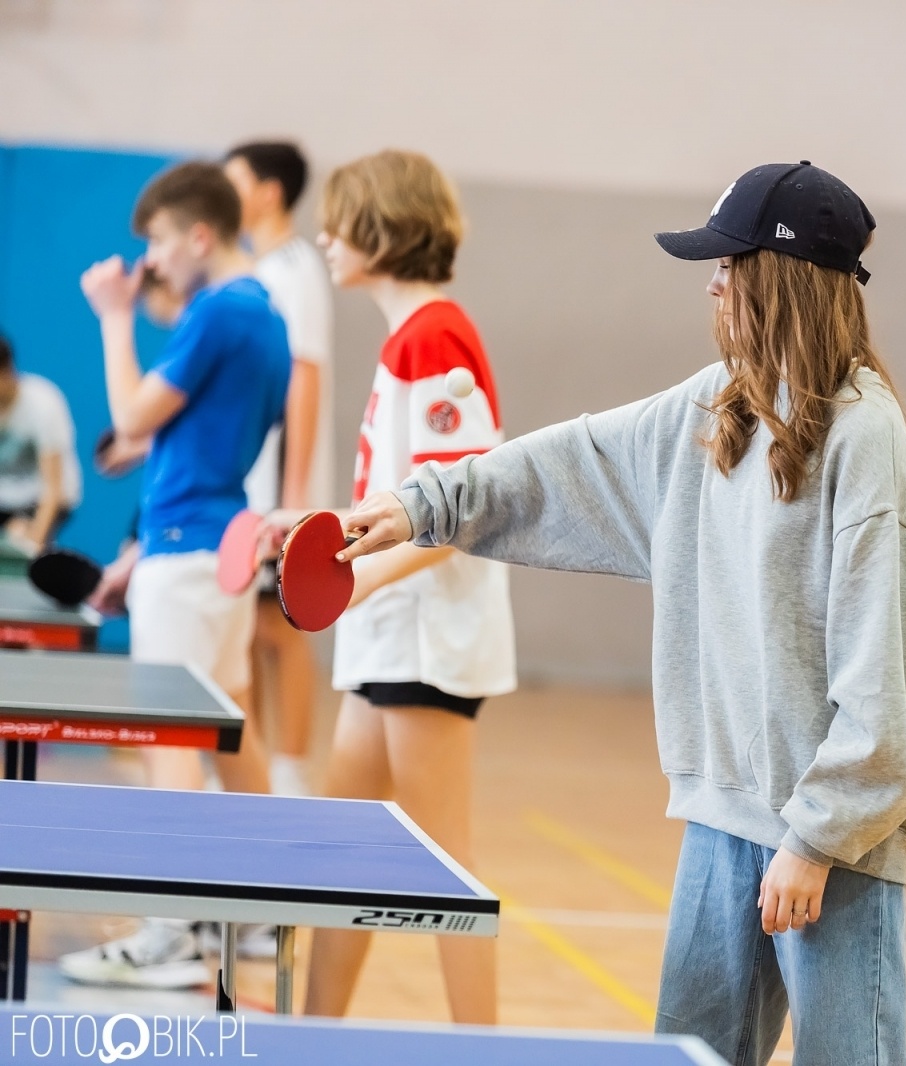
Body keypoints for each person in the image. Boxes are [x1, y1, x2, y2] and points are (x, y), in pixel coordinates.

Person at [338, 161, 906, 1065]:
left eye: (728, 263)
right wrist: (418, 505)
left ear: (779, 279)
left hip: (836, 846)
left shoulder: (866, 446)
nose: (712, 281)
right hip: (724, 820)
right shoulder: (720, 405)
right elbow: (570, 462)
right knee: (690, 1052)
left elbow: (889, 679)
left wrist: (816, 841)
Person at [291, 150, 515, 1025]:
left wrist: (346, 585)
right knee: (346, 856)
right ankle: (310, 1036)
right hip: (386, 634)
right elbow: (397, 503)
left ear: (381, 229)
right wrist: (319, 533)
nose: (325, 238)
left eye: (339, 221)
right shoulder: (406, 339)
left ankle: (485, 1048)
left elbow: (456, 511)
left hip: (426, 641)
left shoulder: (435, 337)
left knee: (442, 869)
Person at [63, 160, 292, 988]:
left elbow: (129, 418)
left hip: (192, 558)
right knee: (228, 729)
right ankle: (263, 907)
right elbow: (179, 446)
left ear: (199, 235)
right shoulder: (266, 318)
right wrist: (136, 553)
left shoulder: (216, 312)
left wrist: (116, 316)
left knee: (171, 736)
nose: (150, 261)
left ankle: (168, 930)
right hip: (208, 550)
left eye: (157, 242)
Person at [225, 140, 336, 798]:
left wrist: (293, 497)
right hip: (249, 484)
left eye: (233, 177)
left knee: (282, 630)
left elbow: (306, 375)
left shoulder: (295, 269)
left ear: (267, 190)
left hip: (279, 489)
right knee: (249, 630)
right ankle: (256, 771)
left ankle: (290, 774)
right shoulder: (258, 268)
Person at [0, 331, 82, 550]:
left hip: (46, 497)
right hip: (4, 498)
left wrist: (32, 546)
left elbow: (53, 490)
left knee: (21, 538)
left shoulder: (43, 403)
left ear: (7, 372)